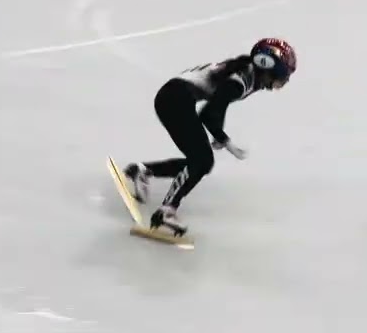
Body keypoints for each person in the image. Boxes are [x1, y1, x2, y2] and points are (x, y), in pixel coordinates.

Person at [121, 38, 297, 236]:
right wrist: (225, 140)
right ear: (269, 69)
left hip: (173, 97)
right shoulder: (241, 80)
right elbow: (209, 113)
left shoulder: (247, 73)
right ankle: (167, 211)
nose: (285, 81)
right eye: (285, 76)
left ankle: (143, 171)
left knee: (199, 163)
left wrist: (219, 134)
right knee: (202, 161)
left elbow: (215, 107)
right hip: (175, 99)